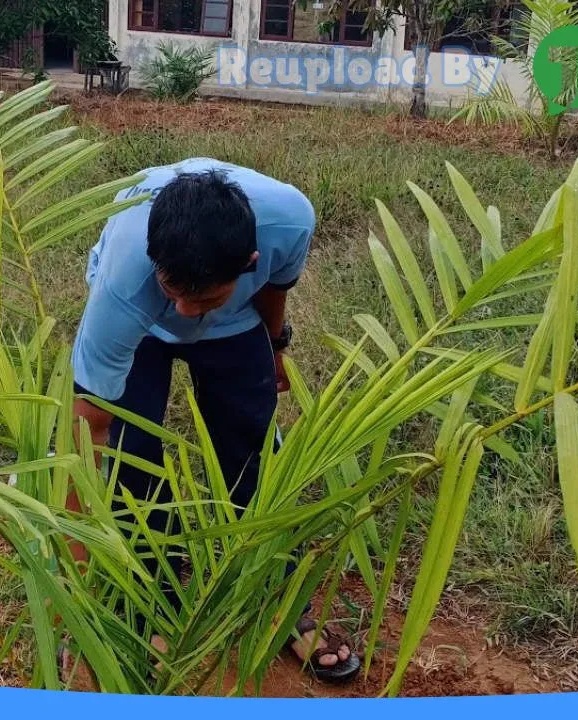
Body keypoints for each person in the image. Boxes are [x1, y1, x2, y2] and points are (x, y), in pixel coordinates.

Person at [68, 158, 361, 683]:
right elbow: (89, 429)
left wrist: (274, 346)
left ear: (246, 261)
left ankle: (279, 601)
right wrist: (71, 579)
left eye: (197, 298)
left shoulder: (289, 220)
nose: (181, 311)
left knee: (254, 451)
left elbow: (275, 285)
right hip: (141, 324)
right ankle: (148, 604)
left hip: (235, 321)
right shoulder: (125, 284)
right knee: (131, 461)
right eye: (172, 291)